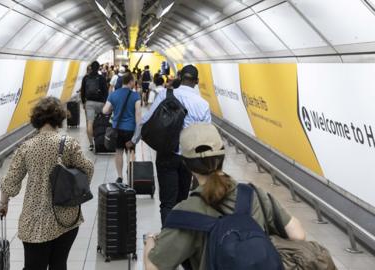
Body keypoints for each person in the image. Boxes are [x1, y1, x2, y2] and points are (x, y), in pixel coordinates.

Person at [143, 123, 306, 270]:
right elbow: (297, 235)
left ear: (187, 165)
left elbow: (154, 267)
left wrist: (150, 239)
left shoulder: (185, 214)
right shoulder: (254, 194)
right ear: (223, 156)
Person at [0, 97, 94, 270]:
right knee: (59, 264)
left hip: (36, 221)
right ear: (59, 118)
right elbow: (88, 169)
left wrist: (3, 204)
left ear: (37, 119)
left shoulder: (26, 147)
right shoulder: (68, 144)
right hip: (66, 218)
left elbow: (10, 182)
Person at [129, 65, 211, 225]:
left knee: (167, 202)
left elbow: (145, 121)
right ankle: (179, 240)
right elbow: (206, 137)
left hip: (166, 154)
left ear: (179, 77)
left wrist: (134, 140)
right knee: (182, 202)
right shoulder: (203, 104)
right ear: (197, 81)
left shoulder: (165, 94)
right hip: (188, 158)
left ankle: (167, 241)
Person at [102, 72, 142, 183]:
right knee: (131, 152)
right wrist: (137, 135)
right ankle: (131, 174)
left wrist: (113, 109)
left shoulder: (114, 94)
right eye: (133, 81)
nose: (134, 82)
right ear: (130, 82)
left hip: (117, 129)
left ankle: (120, 177)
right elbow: (138, 116)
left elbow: (105, 110)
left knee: (118, 152)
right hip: (130, 129)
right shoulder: (135, 96)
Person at [81, 61, 109, 151]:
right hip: (101, 103)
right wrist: (105, 102)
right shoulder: (102, 78)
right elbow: (106, 92)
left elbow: (82, 91)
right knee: (101, 121)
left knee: (89, 123)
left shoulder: (86, 78)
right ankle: (100, 141)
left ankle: (91, 144)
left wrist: (83, 102)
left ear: (91, 68)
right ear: (98, 68)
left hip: (89, 103)